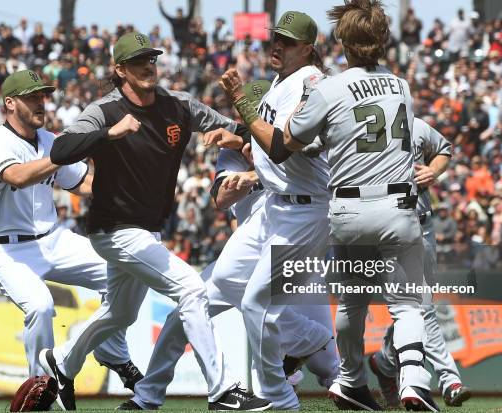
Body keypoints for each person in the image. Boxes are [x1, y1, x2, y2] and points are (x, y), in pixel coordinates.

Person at [220, 0, 439, 410]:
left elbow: (284, 146)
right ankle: (413, 379)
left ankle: (346, 380)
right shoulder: (401, 87)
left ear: (339, 41)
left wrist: (242, 104)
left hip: (346, 210)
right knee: (406, 303)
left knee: (351, 303)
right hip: (398, 205)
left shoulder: (329, 86)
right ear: (384, 41)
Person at [40, 32, 271, 411]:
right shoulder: (105, 111)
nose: (148, 65)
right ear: (119, 69)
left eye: (151, 58)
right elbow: (61, 150)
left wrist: (232, 136)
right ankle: (223, 389)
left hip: (146, 230)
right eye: (138, 61)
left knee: (120, 313)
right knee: (192, 290)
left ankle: (62, 362)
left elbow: (245, 128)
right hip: (113, 229)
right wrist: (109, 134)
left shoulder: (177, 105)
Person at [124, 80, 338, 410]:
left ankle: (355, 383)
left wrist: (259, 170)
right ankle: (147, 395)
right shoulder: (233, 152)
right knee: (183, 315)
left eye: (259, 114)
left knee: (329, 367)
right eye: (247, 114)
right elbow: (222, 198)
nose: (254, 120)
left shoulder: (296, 146)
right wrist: (248, 157)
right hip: (246, 257)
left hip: (292, 255)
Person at [0, 70, 142, 410]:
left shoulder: (48, 140)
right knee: (40, 306)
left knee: (125, 268)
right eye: (32, 96)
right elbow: (18, 177)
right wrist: (74, 149)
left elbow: (79, 182)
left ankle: (111, 352)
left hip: (52, 239)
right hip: (6, 248)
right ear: (10, 103)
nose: (41, 102)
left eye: (43, 95)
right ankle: (41, 391)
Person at [207, 11, 336, 409]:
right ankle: (313, 342)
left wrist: (241, 102)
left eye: (287, 41)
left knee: (257, 304)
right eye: (273, 39)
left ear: (308, 48)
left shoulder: (312, 82)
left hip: (305, 210)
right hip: (277, 207)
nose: (276, 46)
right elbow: (266, 144)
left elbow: (280, 147)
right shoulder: (282, 82)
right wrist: (241, 137)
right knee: (227, 279)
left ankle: (280, 394)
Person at [370, 118, 472, 408]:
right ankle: (449, 380)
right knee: (423, 305)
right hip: (390, 228)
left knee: (414, 307)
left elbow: (444, 149)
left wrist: (433, 170)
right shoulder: (361, 128)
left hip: (424, 225)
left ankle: (386, 361)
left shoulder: (413, 123)